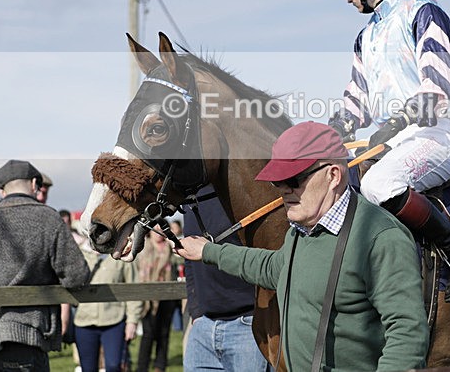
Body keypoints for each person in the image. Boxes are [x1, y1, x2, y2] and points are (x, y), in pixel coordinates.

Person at [176, 121, 429, 372]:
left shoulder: (380, 237)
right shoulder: (302, 231)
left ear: (333, 175)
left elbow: (407, 335)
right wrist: (208, 251)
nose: (283, 191)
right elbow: (275, 267)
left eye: (293, 179)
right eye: (277, 182)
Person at [319, 0, 450, 302]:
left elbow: (437, 84)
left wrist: (394, 123)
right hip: (391, 142)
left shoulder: (423, 12)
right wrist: (332, 129)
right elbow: (356, 99)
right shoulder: (366, 36)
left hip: (434, 137)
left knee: (379, 186)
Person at [0, 159, 90, 371]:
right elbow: (77, 276)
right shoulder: (49, 219)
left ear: (2, 191)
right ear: (35, 184)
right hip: (25, 337)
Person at [180, 195, 270, 372]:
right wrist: (196, 313)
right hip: (203, 328)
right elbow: (189, 257)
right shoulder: (189, 196)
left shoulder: (238, 184)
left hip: (248, 327)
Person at [73, 242, 142, 372]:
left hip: (114, 320)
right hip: (84, 321)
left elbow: (133, 288)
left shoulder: (123, 253)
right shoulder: (78, 253)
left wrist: (132, 321)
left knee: (114, 366)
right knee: (88, 368)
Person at [135, 224, 183, 372]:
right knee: (148, 334)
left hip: (167, 296)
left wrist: (173, 243)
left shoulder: (170, 248)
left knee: (164, 333)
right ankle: (142, 367)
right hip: (148, 298)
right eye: (156, 230)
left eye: (161, 230)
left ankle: (159, 365)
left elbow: (181, 262)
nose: (158, 233)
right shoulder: (143, 247)